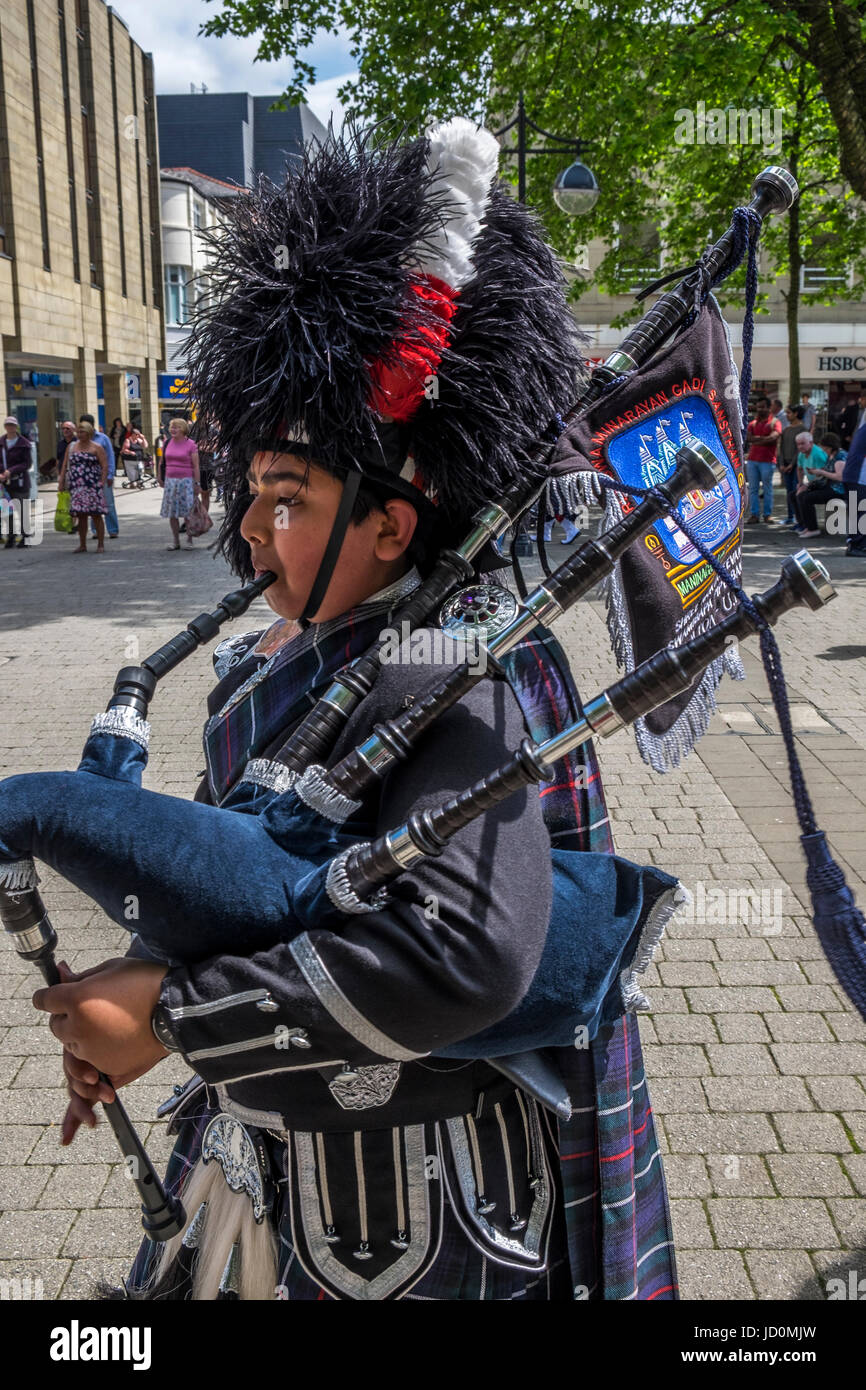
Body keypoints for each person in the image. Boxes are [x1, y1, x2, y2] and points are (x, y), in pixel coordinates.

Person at [45, 119, 678, 1303]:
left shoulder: (471, 660)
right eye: (252, 492)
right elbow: (245, 874)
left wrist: (174, 1018)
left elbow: (466, 951)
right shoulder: (278, 655)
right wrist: (141, 980)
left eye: (287, 498)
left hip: (423, 1214)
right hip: (269, 1162)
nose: (246, 526)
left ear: (390, 524)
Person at [58, 420, 108, 553]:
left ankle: (100, 544)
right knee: (81, 515)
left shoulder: (96, 447)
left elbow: (104, 466)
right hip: (77, 486)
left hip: (92, 485)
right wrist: (61, 481)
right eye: (78, 432)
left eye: (82, 432)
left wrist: (102, 483)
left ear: (89, 433)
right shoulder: (72, 447)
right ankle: (82, 544)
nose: (79, 434)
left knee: (96, 515)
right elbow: (64, 465)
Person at [793, 431, 846, 537]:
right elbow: (828, 472)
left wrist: (821, 472)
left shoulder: (840, 457)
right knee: (802, 494)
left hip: (838, 490)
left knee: (807, 498)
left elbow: (840, 477)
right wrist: (816, 473)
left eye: (825, 448)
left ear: (830, 447)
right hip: (830, 487)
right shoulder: (832, 455)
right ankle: (808, 526)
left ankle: (813, 529)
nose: (823, 450)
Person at [160, 416, 201, 549]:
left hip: (186, 482)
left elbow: (196, 466)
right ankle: (176, 541)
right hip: (170, 481)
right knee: (172, 513)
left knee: (188, 512)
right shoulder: (167, 443)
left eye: (176, 427)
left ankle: (189, 540)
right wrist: (159, 477)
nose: (173, 429)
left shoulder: (191, 444)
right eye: (172, 427)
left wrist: (197, 483)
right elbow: (162, 462)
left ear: (183, 429)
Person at [80, 413, 119, 540]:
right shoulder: (79, 440)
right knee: (92, 505)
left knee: (108, 504)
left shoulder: (102, 438)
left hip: (103, 474)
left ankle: (113, 529)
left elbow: (110, 456)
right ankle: (95, 530)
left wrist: (110, 474)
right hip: (87, 477)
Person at [744, 395, 781, 525]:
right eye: (758, 407)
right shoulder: (752, 423)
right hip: (753, 460)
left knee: (767, 489)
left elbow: (773, 438)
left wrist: (757, 439)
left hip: (768, 460)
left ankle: (767, 515)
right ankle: (754, 515)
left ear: (769, 408)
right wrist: (764, 439)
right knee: (753, 489)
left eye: (762, 407)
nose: (760, 409)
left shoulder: (775, 422)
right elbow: (748, 438)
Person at [0, 414, 33, 548]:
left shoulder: (23, 443)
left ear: (16, 427)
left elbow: (27, 463)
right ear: (5, 427)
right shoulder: (1, 442)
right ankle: (11, 536)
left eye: (12, 425)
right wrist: (2, 473)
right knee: (8, 511)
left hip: (20, 482)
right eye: (8, 425)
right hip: (4, 483)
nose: (10, 427)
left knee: (22, 509)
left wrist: (11, 471)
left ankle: (25, 537)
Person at [842, 419, 866, 557]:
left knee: (857, 512)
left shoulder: (862, 429)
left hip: (852, 476)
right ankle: (857, 545)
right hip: (858, 477)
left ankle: (855, 543)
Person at [778, 405, 804, 526]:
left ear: (796, 413)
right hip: (786, 464)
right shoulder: (786, 429)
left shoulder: (802, 429)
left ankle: (796, 517)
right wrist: (782, 463)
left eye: (789, 413)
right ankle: (789, 516)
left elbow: (800, 450)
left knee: (795, 491)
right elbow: (781, 448)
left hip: (796, 465)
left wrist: (792, 464)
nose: (787, 415)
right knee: (789, 491)